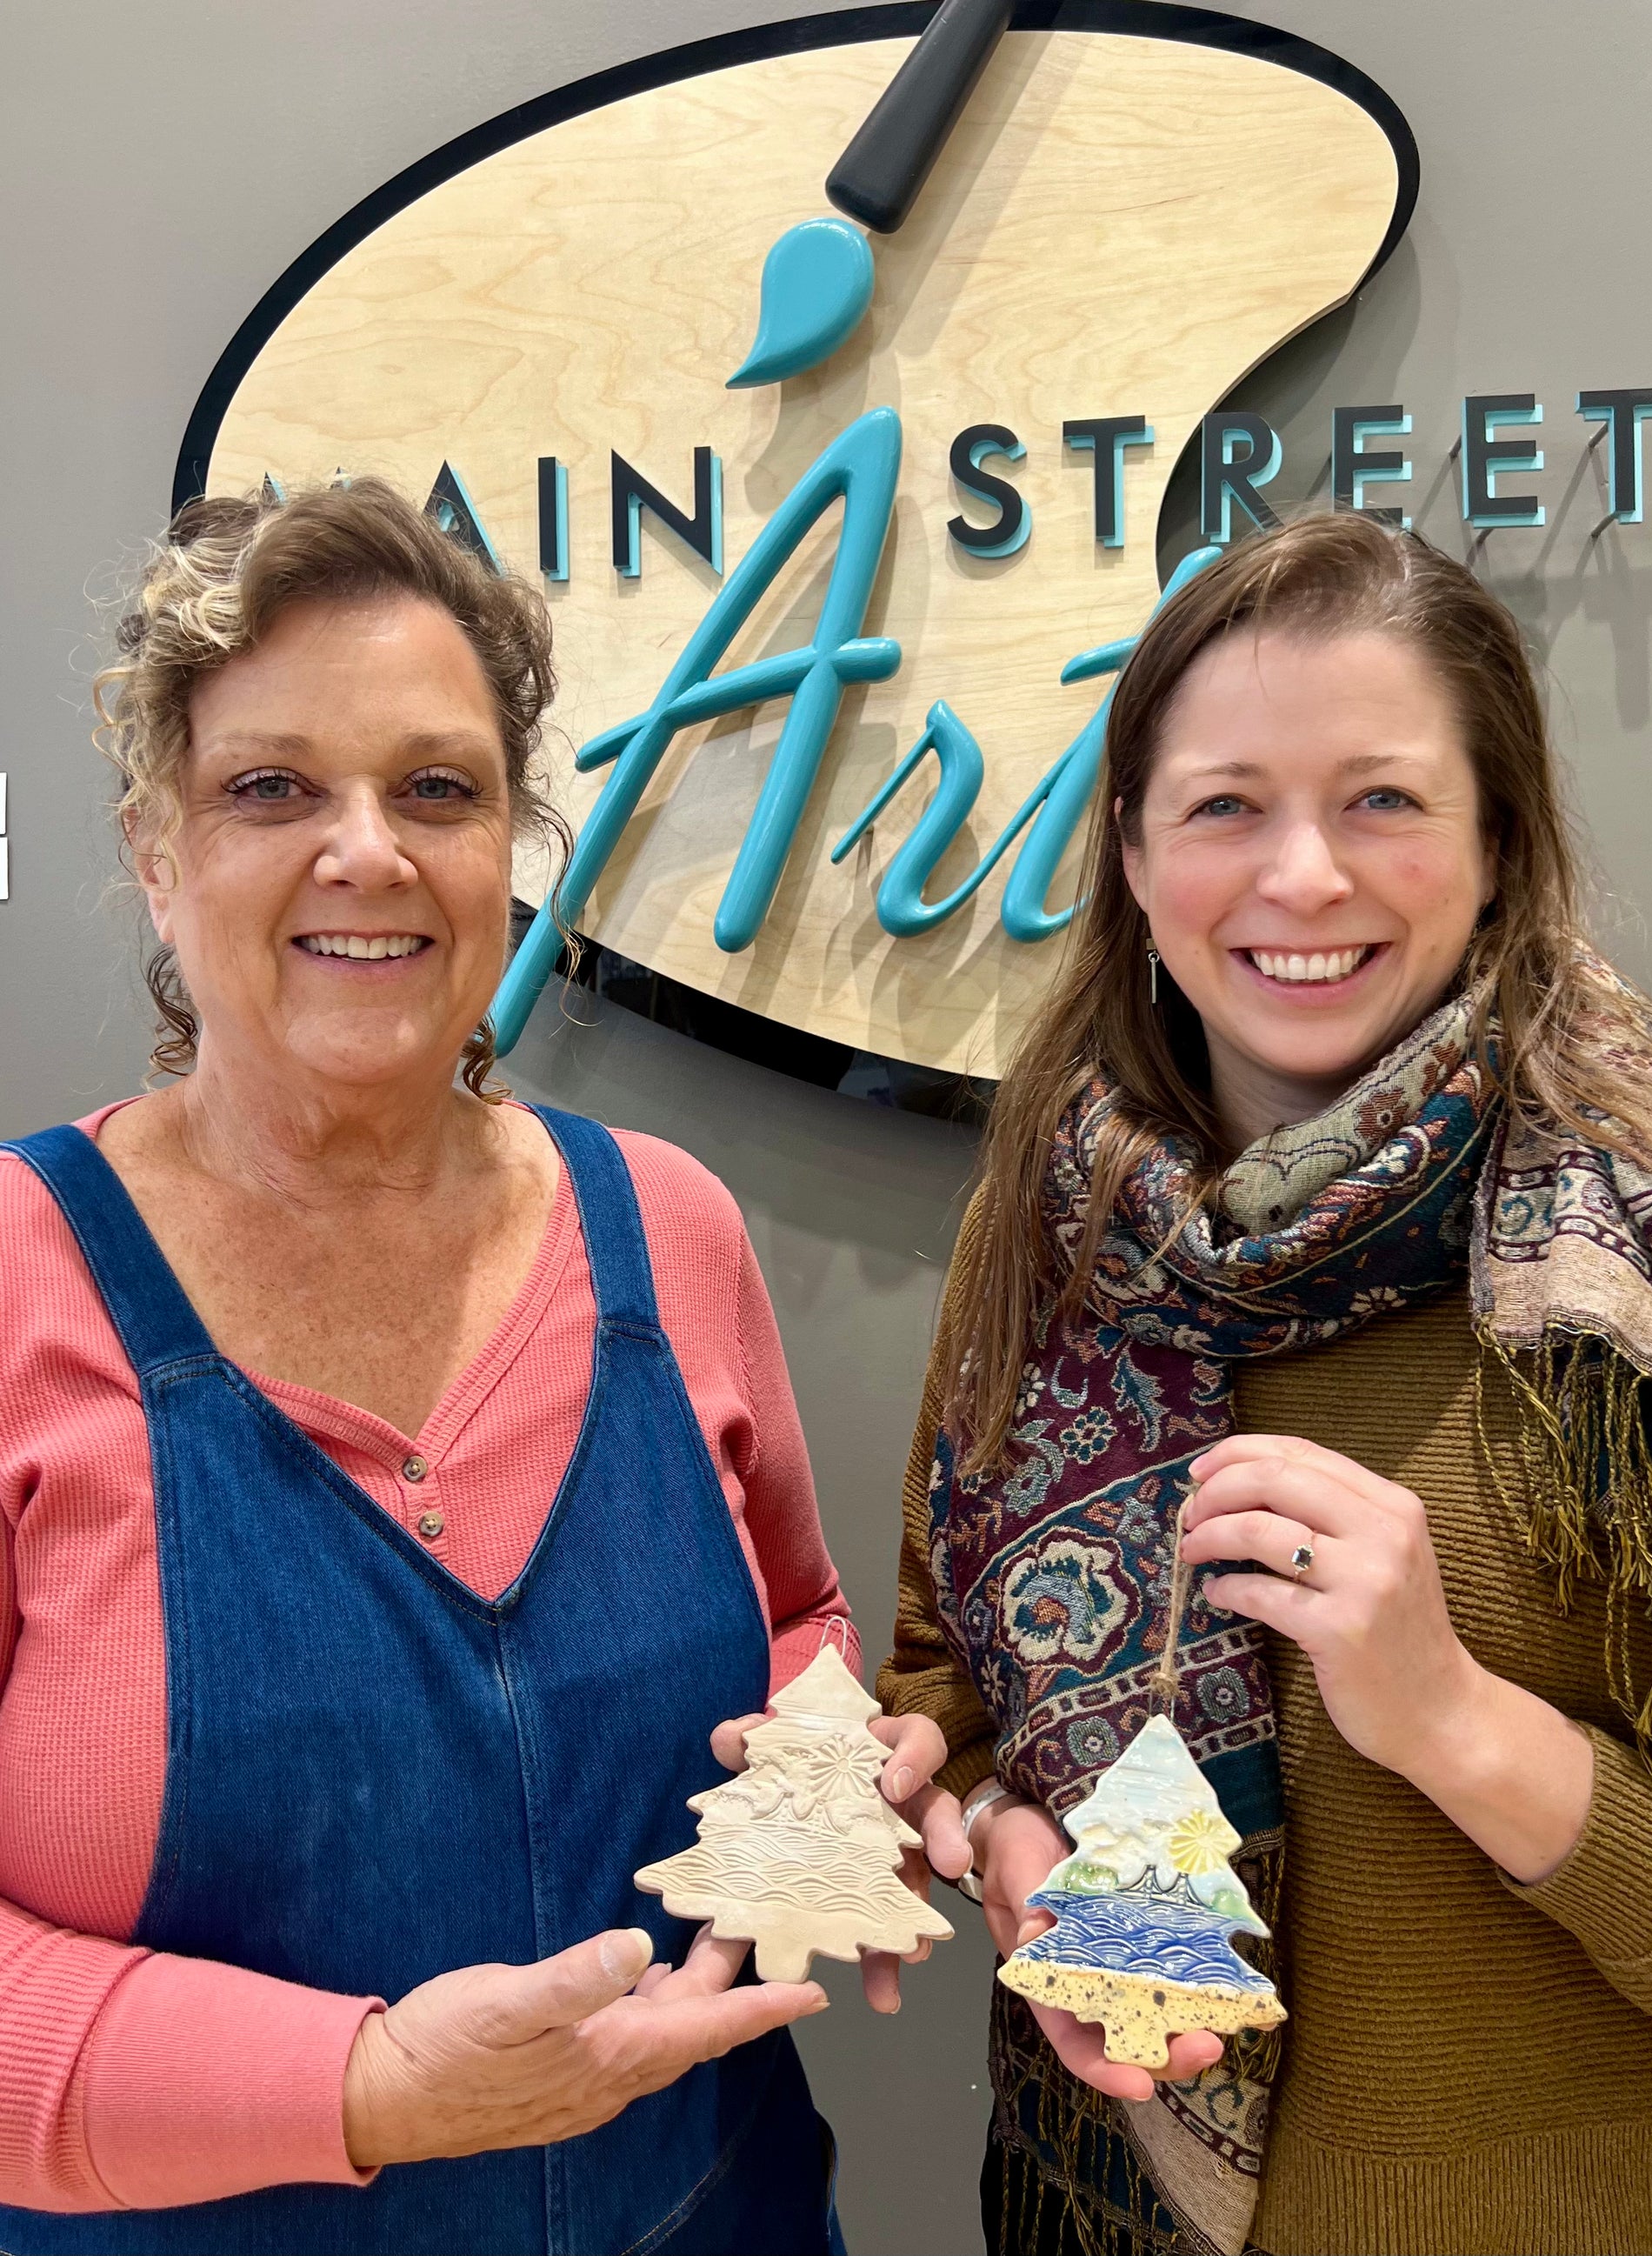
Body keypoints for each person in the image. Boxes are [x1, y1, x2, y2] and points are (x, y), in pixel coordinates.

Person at [0, 478, 958, 2255]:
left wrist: (836, 1801)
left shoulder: (664, 1229)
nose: (366, 849)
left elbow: (802, 1628)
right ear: (155, 847)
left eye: (436, 788)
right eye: (270, 787)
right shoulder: (19, 1284)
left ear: (511, 844)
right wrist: (364, 2086)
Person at [878, 513, 1652, 2256]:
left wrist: (1457, 1722)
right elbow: (947, 1685)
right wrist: (1010, 1842)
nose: (1302, 878)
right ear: (1130, 848)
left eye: (1382, 799)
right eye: (1226, 804)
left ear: (1495, 838)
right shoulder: (1037, 1241)